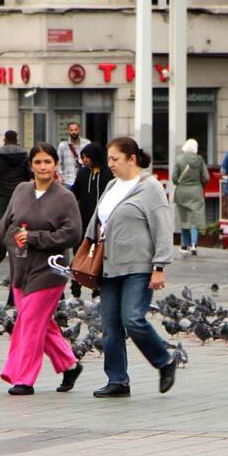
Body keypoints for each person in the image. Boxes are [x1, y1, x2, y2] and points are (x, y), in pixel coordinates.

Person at [0, 143, 83, 396]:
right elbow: (5, 226)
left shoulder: (65, 197)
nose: (43, 167)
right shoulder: (21, 190)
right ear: (31, 166)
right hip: (21, 268)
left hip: (51, 270)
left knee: (28, 322)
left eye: (47, 162)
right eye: (38, 162)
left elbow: (73, 233)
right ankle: (70, 364)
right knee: (39, 322)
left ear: (55, 165)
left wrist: (36, 237)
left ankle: (23, 378)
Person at [85, 136, 176, 398]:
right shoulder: (112, 185)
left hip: (139, 265)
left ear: (132, 159)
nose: (110, 164)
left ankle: (165, 362)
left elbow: (162, 228)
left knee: (133, 319)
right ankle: (117, 380)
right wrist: (85, 251)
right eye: (109, 159)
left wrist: (160, 265)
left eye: (115, 159)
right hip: (109, 266)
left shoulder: (150, 188)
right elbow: (98, 220)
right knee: (110, 325)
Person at [70, 142, 113, 298]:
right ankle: (75, 287)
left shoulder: (108, 174)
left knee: (100, 254)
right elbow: (75, 192)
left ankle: (97, 287)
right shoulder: (82, 173)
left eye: (87, 157)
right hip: (83, 219)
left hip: (102, 221)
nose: (85, 160)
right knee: (79, 252)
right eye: (83, 157)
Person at [172, 138, 209, 256]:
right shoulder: (199, 160)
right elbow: (206, 177)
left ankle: (184, 245)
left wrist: (179, 183)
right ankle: (194, 244)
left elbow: (174, 177)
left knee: (184, 218)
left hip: (182, 191)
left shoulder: (179, 159)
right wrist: (199, 184)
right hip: (196, 191)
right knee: (195, 219)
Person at [0, 130, 30, 221]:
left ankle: (5, 235)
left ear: (5, 140)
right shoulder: (24, 153)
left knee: (3, 219)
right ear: (16, 140)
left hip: (2, 192)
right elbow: (29, 174)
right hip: (20, 192)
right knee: (19, 218)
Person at [58, 122, 90, 188]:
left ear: (79, 130)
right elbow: (59, 163)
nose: (74, 132)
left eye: (76, 129)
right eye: (71, 130)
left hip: (83, 180)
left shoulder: (87, 144)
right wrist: (60, 176)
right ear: (68, 131)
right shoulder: (63, 146)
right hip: (67, 181)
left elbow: (91, 161)